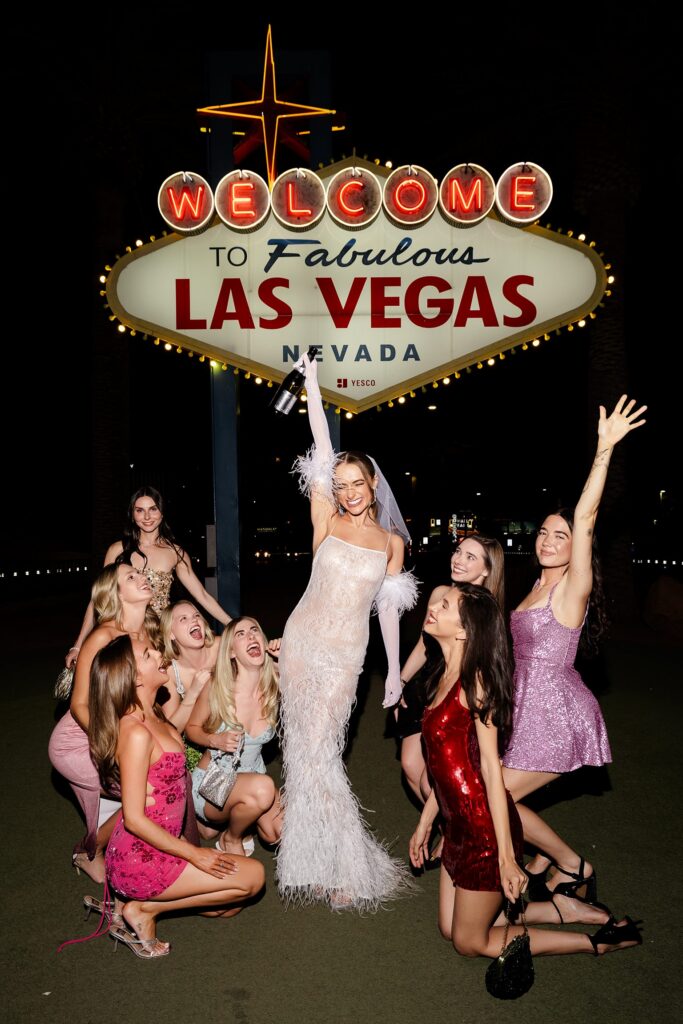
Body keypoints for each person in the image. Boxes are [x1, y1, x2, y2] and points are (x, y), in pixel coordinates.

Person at [409, 582, 642, 958]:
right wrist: (425, 822)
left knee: (469, 942)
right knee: (447, 928)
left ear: (465, 629)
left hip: (484, 831)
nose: (433, 607)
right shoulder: (440, 676)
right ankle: (562, 909)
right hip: (456, 827)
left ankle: (596, 942)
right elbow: (448, 766)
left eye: (446, 605)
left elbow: (489, 770)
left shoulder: (477, 683)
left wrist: (506, 857)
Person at [276, 354, 418, 911]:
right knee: (300, 753)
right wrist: (311, 385)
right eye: (342, 483)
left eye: (358, 483)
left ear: (374, 483)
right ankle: (312, 861)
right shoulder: (324, 517)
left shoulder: (392, 544)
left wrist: (392, 675)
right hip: (302, 642)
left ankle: (349, 868)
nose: (349, 491)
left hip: (345, 657)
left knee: (322, 753)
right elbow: (319, 443)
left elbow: (387, 611)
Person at [501, 395, 647, 907]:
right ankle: (547, 860)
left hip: (557, 713)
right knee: (492, 796)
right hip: (523, 710)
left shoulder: (571, 588)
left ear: (574, 546)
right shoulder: (530, 589)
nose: (547, 539)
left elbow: (586, 517)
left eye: (558, 535)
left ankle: (571, 864)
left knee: (493, 797)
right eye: (543, 531)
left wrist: (603, 449)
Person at [87, 635, 264, 958]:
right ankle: (145, 910)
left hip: (165, 845)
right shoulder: (136, 731)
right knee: (253, 878)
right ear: (136, 676)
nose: (159, 654)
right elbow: (135, 818)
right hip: (140, 858)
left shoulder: (153, 713)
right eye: (148, 654)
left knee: (227, 908)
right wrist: (195, 854)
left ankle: (142, 906)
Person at [49, 563, 160, 883]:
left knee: (146, 790)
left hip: (115, 735)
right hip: (78, 741)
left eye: (141, 573)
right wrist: (113, 744)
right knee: (141, 794)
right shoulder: (103, 636)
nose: (142, 577)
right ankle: (89, 850)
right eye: (131, 577)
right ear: (116, 593)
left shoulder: (146, 635)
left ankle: (110, 849)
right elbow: (80, 704)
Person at [65, 487, 231, 667]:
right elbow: (98, 600)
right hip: (124, 631)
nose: (147, 516)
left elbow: (202, 595)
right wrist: (78, 645)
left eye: (153, 509)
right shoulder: (117, 550)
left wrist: (233, 624)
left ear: (162, 512)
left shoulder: (175, 553)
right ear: (132, 515)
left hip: (161, 634)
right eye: (140, 510)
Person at [397, 535, 505, 803]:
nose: (458, 560)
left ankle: (454, 833)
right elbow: (424, 644)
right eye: (458, 552)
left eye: (471, 557)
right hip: (426, 685)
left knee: (432, 783)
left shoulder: (485, 610)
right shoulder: (439, 594)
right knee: (412, 768)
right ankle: (445, 829)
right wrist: (400, 681)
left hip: (457, 695)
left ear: (488, 569)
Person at [185, 616, 282, 856]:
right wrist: (214, 740)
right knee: (264, 789)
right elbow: (191, 728)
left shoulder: (275, 684)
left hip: (253, 777)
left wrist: (288, 660)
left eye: (254, 630)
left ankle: (241, 818)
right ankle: (232, 837)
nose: (251, 636)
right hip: (213, 782)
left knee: (276, 832)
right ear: (230, 652)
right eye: (241, 634)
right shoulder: (218, 686)